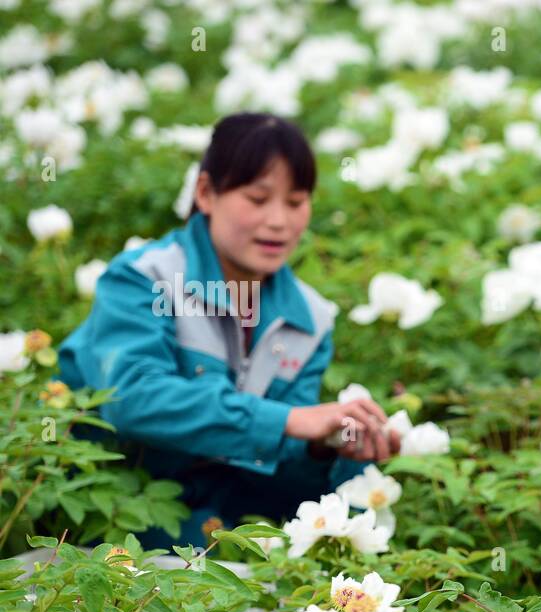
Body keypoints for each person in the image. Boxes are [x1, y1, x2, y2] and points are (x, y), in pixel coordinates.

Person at [57, 112, 400, 550]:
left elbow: (274, 461)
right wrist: (292, 420)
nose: (278, 221)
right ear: (205, 192)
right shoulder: (145, 278)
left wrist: (324, 446)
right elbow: (134, 399)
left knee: (348, 489)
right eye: (258, 199)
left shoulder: (310, 320)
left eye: (296, 202)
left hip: (216, 513)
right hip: (105, 512)